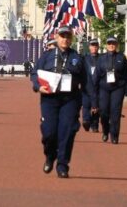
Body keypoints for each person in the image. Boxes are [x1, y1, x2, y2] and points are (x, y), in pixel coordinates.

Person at [30, 26, 88, 178]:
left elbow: (86, 82)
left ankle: (62, 164)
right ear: (57, 37)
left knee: (67, 132)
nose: (65, 39)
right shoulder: (47, 56)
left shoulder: (78, 58)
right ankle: (50, 155)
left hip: (70, 99)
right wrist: (37, 86)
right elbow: (35, 73)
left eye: (68, 36)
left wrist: (88, 106)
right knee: (49, 133)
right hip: (50, 98)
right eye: (62, 36)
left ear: (72, 39)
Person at [93, 37, 127, 144]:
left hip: (118, 88)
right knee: (104, 112)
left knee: (115, 112)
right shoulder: (101, 59)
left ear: (116, 45)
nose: (111, 45)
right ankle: (106, 131)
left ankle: (115, 135)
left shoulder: (121, 58)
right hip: (104, 88)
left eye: (114, 43)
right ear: (106, 45)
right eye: (109, 43)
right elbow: (96, 75)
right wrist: (94, 89)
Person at [81, 39, 100, 133]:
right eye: (92, 46)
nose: (94, 47)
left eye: (96, 46)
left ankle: (95, 125)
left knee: (96, 106)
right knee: (86, 105)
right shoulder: (84, 58)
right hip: (86, 85)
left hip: (98, 86)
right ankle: (86, 121)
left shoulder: (101, 58)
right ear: (89, 47)